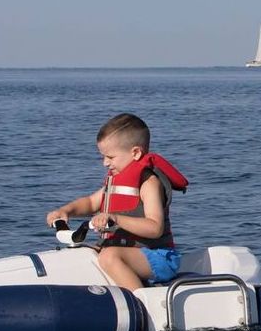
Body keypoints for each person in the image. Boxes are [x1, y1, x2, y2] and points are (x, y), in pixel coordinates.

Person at [46, 113, 188, 290]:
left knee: (108, 256)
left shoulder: (149, 183)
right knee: (84, 252)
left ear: (135, 153)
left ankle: (141, 302)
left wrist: (116, 218)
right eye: (103, 157)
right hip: (126, 252)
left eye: (110, 157)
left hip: (159, 257)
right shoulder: (115, 181)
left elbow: (155, 227)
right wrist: (65, 211)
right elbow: (90, 202)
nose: (105, 163)